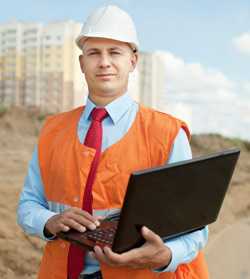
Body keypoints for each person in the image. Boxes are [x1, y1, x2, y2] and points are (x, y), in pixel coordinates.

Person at [17, 5, 209, 279]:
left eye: (114, 52)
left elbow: (195, 226)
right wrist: (50, 220)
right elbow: (28, 204)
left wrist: (166, 255)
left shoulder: (167, 133)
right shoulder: (52, 130)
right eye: (94, 53)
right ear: (82, 64)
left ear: (133, 61)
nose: (104, 62)